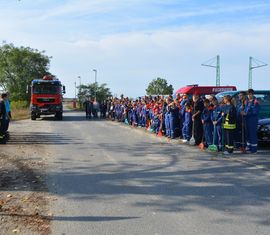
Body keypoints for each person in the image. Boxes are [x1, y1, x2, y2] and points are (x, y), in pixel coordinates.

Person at [242, 89, 260, 153]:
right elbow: (246, 110)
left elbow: (255, 112)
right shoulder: (247, 101)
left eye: (250, 94)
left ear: (252, 94)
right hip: (247, 120)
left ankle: (254, 150)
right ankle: (249, 148)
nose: (249, 95)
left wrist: (246, 113)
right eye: (248, 94)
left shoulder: (255, 102)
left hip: (252, 121)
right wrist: (243, 112)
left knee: (252, 135)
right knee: (248, 135)